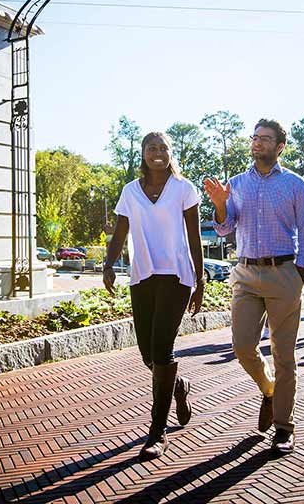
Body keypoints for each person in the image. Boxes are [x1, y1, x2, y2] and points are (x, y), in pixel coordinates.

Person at [204, 118, 304, 455]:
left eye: (265, 139)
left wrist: (298, 275)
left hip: (284, 273)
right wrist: (222, 203)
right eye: (255, 137)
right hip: (246, 274)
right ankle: (268, 390)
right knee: (242, 347)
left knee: (285, 356)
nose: (257, 143)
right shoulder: (236, 183)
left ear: (280, 146)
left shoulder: (297, 185)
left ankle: (284, 427)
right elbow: (224, 229)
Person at [103, 131, 205, 461]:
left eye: (163, 148)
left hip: (176, 276)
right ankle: (177, 386)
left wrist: (200, 279)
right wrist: (107, 265)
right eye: (151, 148)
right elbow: (121, 231)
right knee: (148, 354)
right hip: (143, 276)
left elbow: (194, 236)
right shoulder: (130, 192)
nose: (157, 153)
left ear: (170, 153)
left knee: (162, 348)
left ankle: (157, 431)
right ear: (143, 154)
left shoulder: (183, 189)